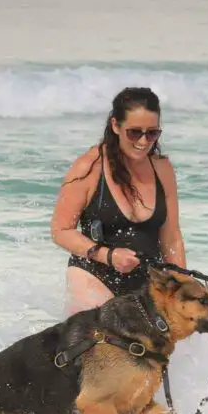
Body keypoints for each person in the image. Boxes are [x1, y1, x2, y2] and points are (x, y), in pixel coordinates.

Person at [50, 87, 187, 315]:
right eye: (135, 132)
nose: (144, 141)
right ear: (115, 126)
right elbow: (61, 230)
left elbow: (171, 237)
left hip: (148, 281)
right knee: (104, 344)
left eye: (152, 133)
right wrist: (108, 255)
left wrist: (181, 285)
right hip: (94, 274)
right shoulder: (88, 167)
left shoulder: (163, 168)